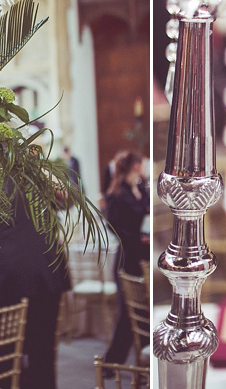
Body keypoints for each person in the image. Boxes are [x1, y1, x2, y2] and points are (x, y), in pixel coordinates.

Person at [0, 189, 71, 389]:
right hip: (44, 271)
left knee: (5, 354)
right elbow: (66, 202)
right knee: (42, 354)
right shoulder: (34, 177)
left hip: (7, 275)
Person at [102, 150, 150, 365]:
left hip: (143, 257)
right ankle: (112, 361)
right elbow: (113, 226)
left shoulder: (141, 188)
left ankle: (142, 359)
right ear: (137, 166)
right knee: (129, 312)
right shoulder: (117, 192)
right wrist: (137, 238)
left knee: (142, 312)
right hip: (127, 256)